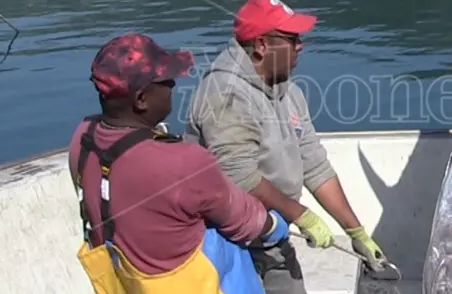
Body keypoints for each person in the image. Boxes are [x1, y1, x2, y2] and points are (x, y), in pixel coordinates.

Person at [187, 0, 397, 294]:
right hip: (229, 242)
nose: (301, 45)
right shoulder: (226, 94)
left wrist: (356, 231)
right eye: (292, 38)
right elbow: (239, 175)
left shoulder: (290, 92)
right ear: (261, 45)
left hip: (274, 234)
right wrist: (302, 215)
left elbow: (315, 164)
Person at [70, 32, 291, 294]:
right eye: (168, 81)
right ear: (141, 99)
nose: (174, 86)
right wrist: (277, 225)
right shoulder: (183, 161)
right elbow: (244, 221)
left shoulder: (83, 138)